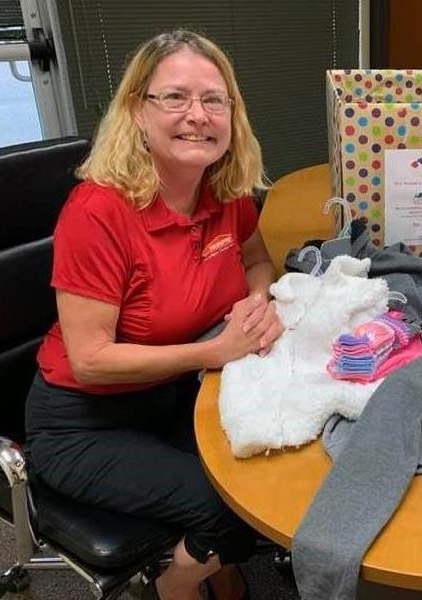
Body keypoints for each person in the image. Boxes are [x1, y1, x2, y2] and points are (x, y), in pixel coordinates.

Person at [25, 29, 284, 600]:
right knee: (228, 504)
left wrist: (256, 298)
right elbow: (90, 361)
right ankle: (174, 585)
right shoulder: (98, 212)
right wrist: (214, 351)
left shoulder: (226, 189)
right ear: (137, 112)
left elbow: (258, 260)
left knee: (275, 478)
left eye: (214, 99)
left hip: (178, 394)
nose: (198, 115)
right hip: (83, 422)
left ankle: (209, 556)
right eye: (175, 97)